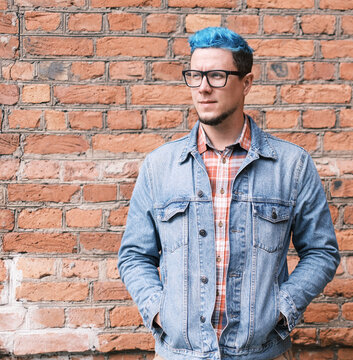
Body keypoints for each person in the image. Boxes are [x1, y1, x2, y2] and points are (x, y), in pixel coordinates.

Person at [117, 27, 340, 360]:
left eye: (217, 76)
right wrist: (162, 313)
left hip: (260, 353)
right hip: (181, 354)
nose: (203, 88)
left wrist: (278, 312)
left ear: (246, 83)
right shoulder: (160, 166)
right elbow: (134, 255)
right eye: (195, 75)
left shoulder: (291, 165)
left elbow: (321, 251)